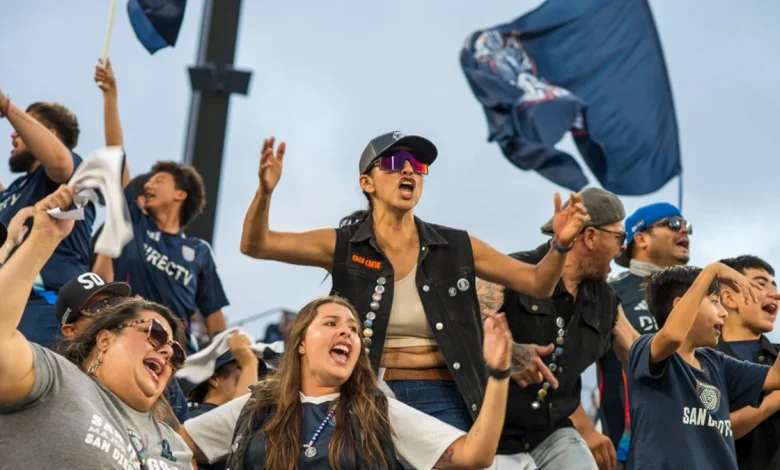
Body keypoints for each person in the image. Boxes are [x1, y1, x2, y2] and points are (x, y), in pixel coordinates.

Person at [241, 133, 588, 430]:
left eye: (418, 166)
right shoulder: (343, 245)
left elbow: (537, 283)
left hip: (447, 399)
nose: (408, 169)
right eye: (393, 162)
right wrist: (265, 192)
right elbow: (256, 245)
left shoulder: (456, 246)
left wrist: (560, 245)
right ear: (367, 183)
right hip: (365, 395)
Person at [178, 295, 515, 470]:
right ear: (300, 343)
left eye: (353, 329)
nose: (347, 332)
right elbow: (177, 445)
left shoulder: (378, 412)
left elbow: (476, 455)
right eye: (331, 323)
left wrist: (499, 375)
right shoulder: (257, 406)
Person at [0, 185, 193, 468]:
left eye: (176, 352)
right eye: (156, 333)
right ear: (104, 339)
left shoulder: (176, 448)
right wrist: (42, 239)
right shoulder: (54, 378)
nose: (166, 351)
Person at [476, 187, 639, 470]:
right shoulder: (514, 270)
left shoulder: (605, 299)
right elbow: (456, 328)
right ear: (590, 237)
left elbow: (641, 354)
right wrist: (508, 352)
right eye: (619, 237)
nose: (623, 246)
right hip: (491, 432)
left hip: (552, 433)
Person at [92, 59, 229, 353]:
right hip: (125, 341)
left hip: (173, 358)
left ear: (181, 194)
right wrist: (110, 96)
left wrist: (227, 361)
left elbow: (215, 320)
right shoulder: (134, 223)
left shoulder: (199, 253)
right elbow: (116, 153)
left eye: (159, 181)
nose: (149, 186)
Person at [625, 264, 780, 470]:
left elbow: (775, 377)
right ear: (680, 306)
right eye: (715, 302)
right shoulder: (644, 348)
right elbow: (672, 336)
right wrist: (712, 271)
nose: (724, 313)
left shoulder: (716, 362)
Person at [598, 203, 692, 467]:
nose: (684, 229)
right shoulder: (610, 290)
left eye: (687, 226)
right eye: (673, 223)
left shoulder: (700, 295)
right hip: (629, 443)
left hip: (694, 437)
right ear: (640, 238)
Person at [0, 89, 96, 348]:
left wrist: (6, 105)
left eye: (24, 122)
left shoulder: (71, 169)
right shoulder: (15, 191)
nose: (12, 131)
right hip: (8, 300)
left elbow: (59, 161)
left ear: (50, 134)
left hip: (46, 303)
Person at [54, 270, 192, 425]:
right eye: (97, 308)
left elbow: (181, 436)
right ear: (70, 331)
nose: (111, 311)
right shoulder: (57, 377)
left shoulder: (154, 370)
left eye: (116, 302)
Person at [715, 256, 780, 469]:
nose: (774, 294)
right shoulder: (701, 359)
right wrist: (771, 403)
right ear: (729, 298)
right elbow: (706, 430)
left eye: (774, 286)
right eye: (760, 284)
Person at [186, 332, 266, 470]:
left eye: (257, 374)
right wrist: (249, 364)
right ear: (214, 378)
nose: (254, 377)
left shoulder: (260, 421)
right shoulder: (192, 416)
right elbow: (237, 428)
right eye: (239, 366)